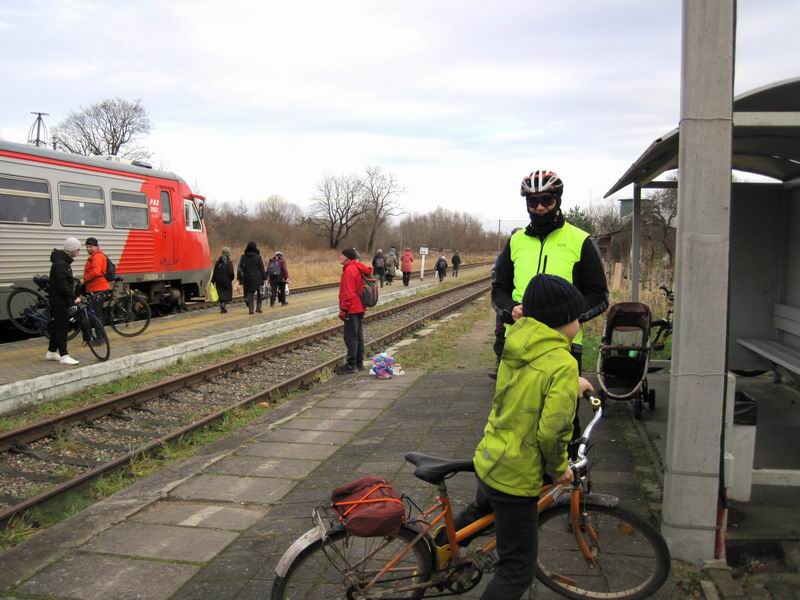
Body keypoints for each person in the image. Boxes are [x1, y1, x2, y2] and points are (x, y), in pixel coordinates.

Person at [442, 274, 593, 599]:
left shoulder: (518, 344)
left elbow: (529, 385)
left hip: (491, 459)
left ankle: (436, 549)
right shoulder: (562, 363)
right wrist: (558, 469)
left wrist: (573, 383)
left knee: (481, 513)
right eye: (576, 317)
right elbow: (552, 432)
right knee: (517, 569)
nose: (579, 322)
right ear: (562, 321)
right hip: (517, 475)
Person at [492, 170, 608, 437]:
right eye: (533, 202)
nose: (540, 207)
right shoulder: (516, 241)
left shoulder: (580, 240)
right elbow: (498, 290)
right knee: (512, 417)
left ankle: (565, 472)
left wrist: (564, 316)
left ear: (558, 199)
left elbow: (599, 295)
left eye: (546, 200)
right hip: (518, 345)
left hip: (564, 346)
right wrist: (510, 309)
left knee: (561, 420)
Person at [45, 237, 82, 366]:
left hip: (58, 300)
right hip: (59, 301)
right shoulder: (61, 264)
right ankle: (64, 356)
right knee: (62, 328)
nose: (79, 252)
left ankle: (51, 352)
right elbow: (62, 285)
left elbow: (63, 281)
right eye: (78, 249)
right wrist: (73, 297)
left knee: (57, 326)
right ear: (72, 250)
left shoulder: (61, 261)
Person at [335, 247, 372, 375]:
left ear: (347, 257)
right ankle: (359, 363)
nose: (339, 256)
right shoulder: (356, 267)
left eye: (341, 255)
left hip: (352, 308)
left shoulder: (349, 270)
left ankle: (351, 365)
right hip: (359, 307)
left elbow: (348, 293)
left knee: (350, 338)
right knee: (358, 336)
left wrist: (344, 309)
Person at [80, 237, 111, 338]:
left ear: (96, 247)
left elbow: (96, 271)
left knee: (96, 314)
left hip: (99, 289)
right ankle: (100, 335)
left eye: (91, 246)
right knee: (95, 313)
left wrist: (84, 279)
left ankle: (101, 336)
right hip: (94, 288)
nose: (88, 248)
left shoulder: (97, 256)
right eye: (87, 246)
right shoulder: (94, 256)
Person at [238, 241, 266, 314]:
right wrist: (264, 277)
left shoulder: (243, 257)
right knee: (260, 293)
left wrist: (240, 278)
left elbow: (240, 268)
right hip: (258, 278)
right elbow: (262, 268)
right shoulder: (258, 257)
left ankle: (251, 310)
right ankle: (258, 308)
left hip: (248, 278)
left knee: (250, 292)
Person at [211, 247, 235, 313]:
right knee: (227, 294)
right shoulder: (229, 262)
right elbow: (231, 273)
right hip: (226, 280)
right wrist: (231, 278)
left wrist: (212, 281)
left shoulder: (218, 262)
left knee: (221, 294)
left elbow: (214, 272)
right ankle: (223, 304)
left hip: (218, 280)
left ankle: (222, 309)